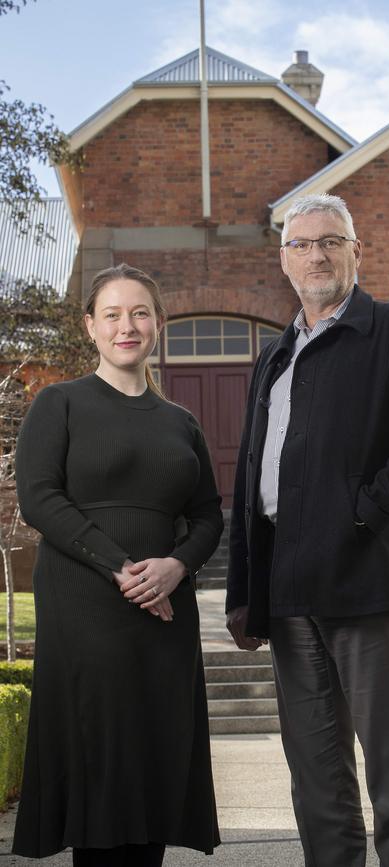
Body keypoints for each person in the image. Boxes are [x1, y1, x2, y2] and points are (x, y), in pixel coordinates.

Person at [226, 193, 389, 867]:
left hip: (365, 582)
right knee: (318, 781)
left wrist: (360, 512)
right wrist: (247, 586)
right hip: (290, 586)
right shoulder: (272, 358)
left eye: (331, 240)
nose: (317, 254)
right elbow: (251, 481)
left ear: (357, 250)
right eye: (301, 244)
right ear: (283, 260)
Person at [12, 263, 222, 866]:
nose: (126, 326)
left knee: (155, 763)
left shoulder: (182, 422)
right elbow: (39, 498)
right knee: (100, 765)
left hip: (164, 616)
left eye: (139, 313)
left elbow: (209, 516)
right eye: (112, 314)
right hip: (87, 608)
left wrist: (177, 567)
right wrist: (122, 568)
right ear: (91, 326)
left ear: (157, 324)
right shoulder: (60, 403)